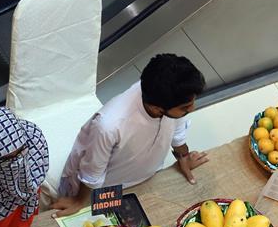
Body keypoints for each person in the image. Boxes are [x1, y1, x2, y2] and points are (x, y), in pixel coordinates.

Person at [51, 54, 208, 217]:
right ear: (156, 109)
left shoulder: (167, 93)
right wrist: (79, 202)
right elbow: (92, 174)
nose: (192, 109)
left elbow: (178, 130)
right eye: (186, 107)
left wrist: (184, 157)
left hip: (144, 180)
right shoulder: (109, 125)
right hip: (99, 193)